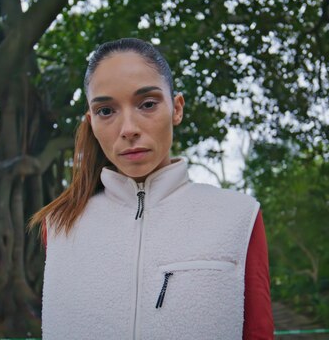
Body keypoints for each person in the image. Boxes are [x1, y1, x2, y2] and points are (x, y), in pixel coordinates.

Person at [29, 38, 273, 339]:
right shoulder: (59, 224)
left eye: (147, 104)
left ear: (177, 108)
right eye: (106, 111)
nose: (128, 128)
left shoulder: (238, 216)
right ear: (91, 122)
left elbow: (259, 332)